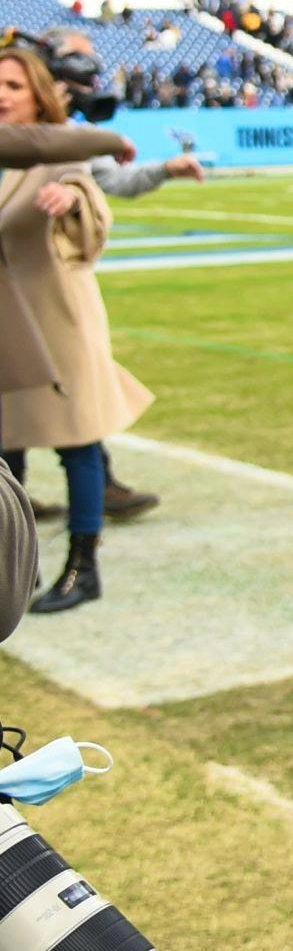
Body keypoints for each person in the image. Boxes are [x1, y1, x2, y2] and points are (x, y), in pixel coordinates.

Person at [0, 41, 153, 614]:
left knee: (78, 445)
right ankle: (15, 574)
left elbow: (91, 202)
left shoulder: (59, 152)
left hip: (58, 323)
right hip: (7, 332)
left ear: (38, 92)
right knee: (5, 455)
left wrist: (72, 197)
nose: (2, 95)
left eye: (14, 85)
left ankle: (82, 568)